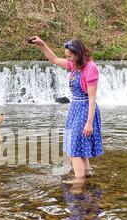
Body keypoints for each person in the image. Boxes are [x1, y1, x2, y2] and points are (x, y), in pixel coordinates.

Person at [29, 36, 103, 184]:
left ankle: (79, 182)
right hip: (75, 109)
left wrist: (89, 123)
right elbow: (55, 60)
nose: (68, 59)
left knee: (74, 150)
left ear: (78, 54)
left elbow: (92, 99)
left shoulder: (91, 68)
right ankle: (86, 178)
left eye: (70, 56)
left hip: (85, 110)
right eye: (67, 56)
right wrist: (42, 44)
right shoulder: (74, 65)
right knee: (78, 149)